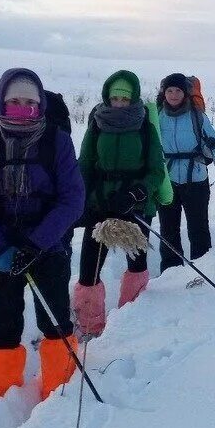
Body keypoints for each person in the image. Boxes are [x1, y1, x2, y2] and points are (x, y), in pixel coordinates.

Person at [0, 69, 85, 404]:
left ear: (41, 105)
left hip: (48, 246)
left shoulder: (57, 140)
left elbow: (72, 198)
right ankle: (1, 399)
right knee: (2, 327)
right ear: (2, 101)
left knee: (56, 322)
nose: (22, 108)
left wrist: (36, 244)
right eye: (14, 102)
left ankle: (59, 394)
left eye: (29, 102)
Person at [73, 71, 168, 338]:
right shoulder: (97, 124)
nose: (119, 102)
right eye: (115, 97)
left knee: (136, 263)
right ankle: (89, 327)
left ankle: (132, 320)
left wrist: (137, 194)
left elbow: (156, 171)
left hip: (133, 205)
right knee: (89, 268)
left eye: (124, 98)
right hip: (100, 204)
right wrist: (82, 200)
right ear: (107, 96)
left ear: (133, 98)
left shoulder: (145, 127)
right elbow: (85, 165)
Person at [156, 73, 215, 271]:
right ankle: (170, 271)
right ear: (164, 93)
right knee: (168, 229)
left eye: (178, 90)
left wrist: (210, 146)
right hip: (167, 181)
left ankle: (203, 268)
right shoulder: (157, 116)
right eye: (169, 91)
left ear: (185, 93)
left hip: (196, 179)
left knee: (198, 227)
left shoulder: (197, 115)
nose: (174, 95)